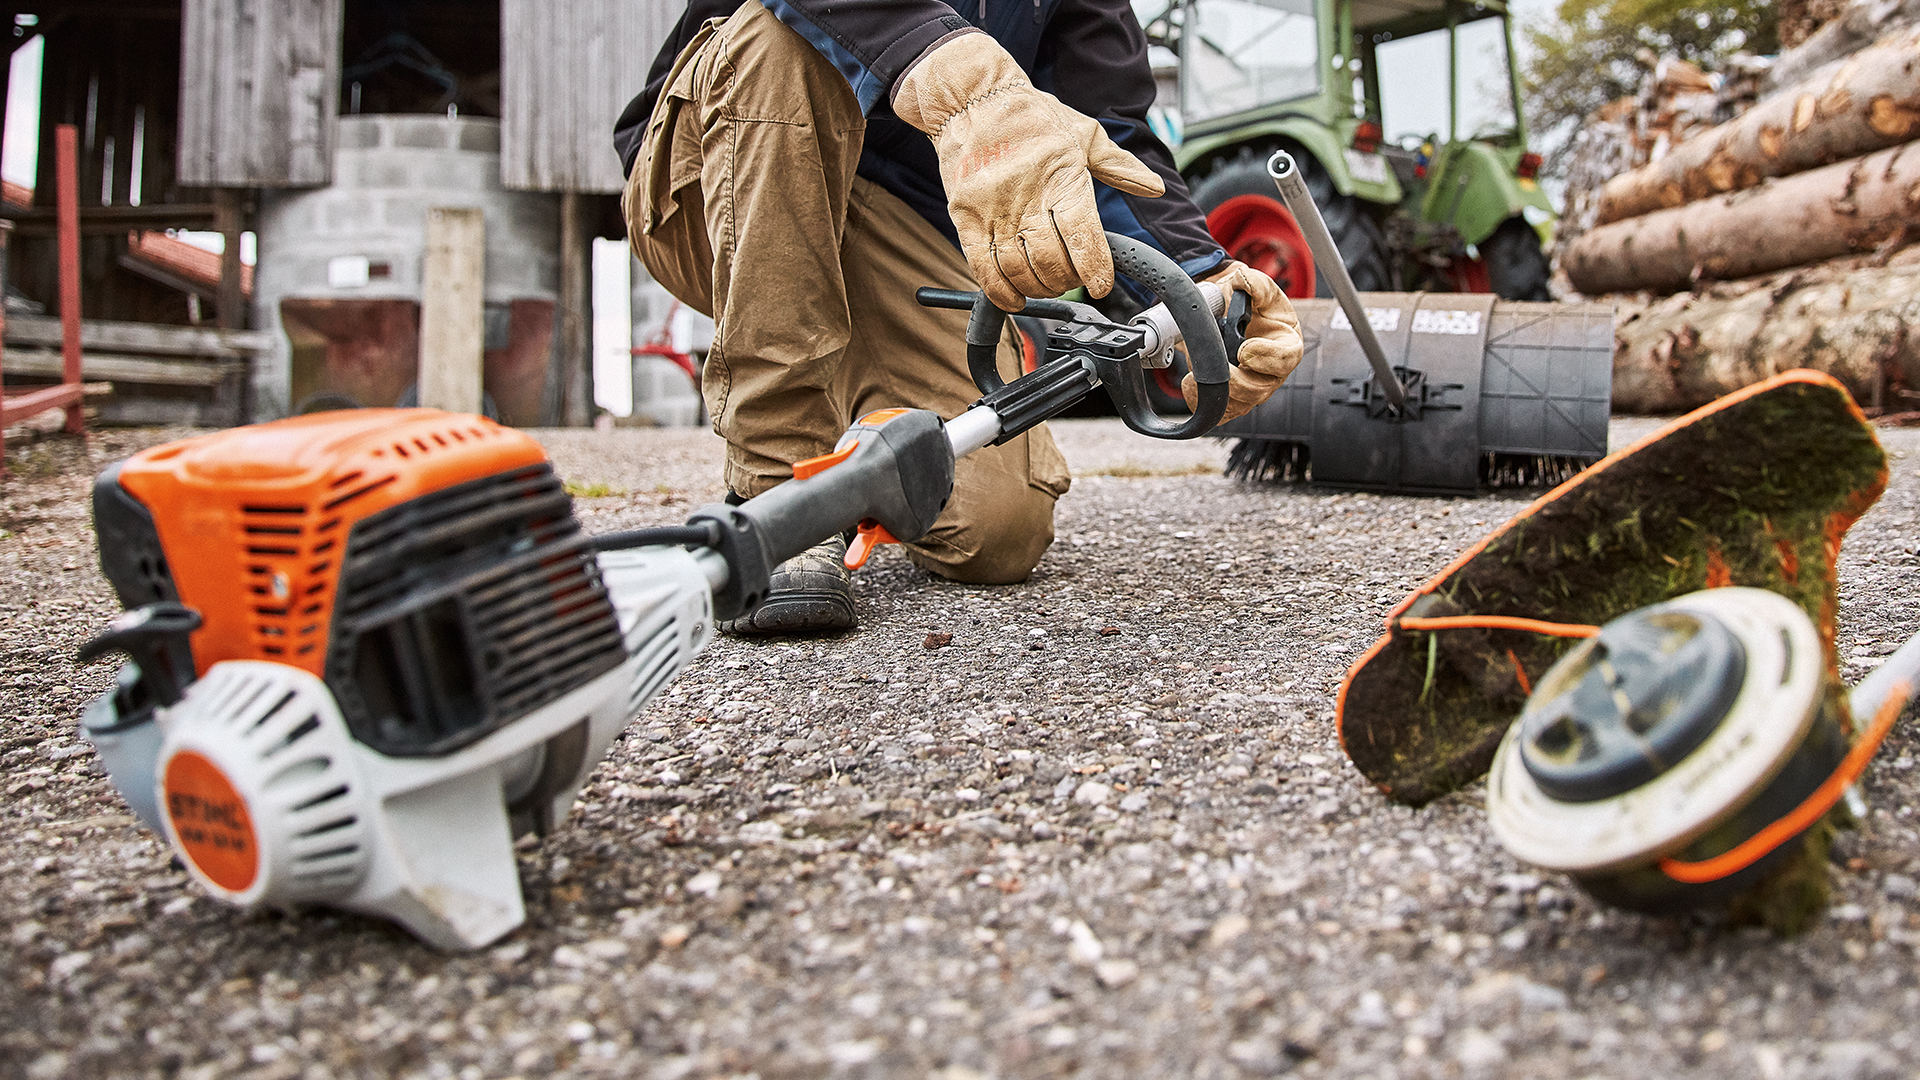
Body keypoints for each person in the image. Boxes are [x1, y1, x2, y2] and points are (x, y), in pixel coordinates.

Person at [615, 0, 1302, 634]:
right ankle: (771, 491)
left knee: (998, 529)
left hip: (896, 218)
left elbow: (1111, 133)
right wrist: (955, 74)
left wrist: (1203, 275)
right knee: (781, 39)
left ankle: (851, 446)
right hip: (722, 168)